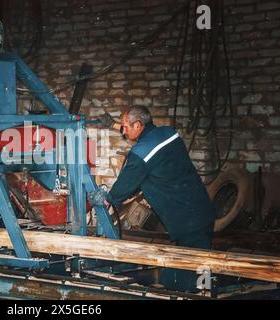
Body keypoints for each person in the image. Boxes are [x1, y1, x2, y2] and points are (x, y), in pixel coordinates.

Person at [90, 106, 217, 292]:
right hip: (201, 210)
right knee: (202, 263)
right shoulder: (168, 133)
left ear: (138, 125)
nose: (123, 131)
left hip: (187, 221)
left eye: (125, 126)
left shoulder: (141, 155)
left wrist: (107, 198)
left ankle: (198, 293)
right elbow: (143, 137)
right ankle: (204, 290)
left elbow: (122, 190)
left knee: (190, 278)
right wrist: (115, 125)